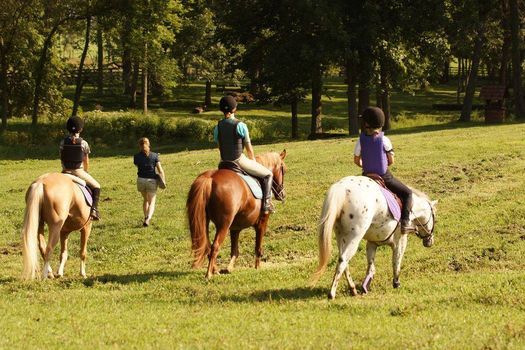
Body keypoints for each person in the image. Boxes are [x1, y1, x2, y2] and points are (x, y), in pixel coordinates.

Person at [353, 107, 415, 234]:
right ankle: (405, 223)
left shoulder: (360, 140)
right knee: (408, 193)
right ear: (380, 123)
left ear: (365, 124)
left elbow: (356, 161)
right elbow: (391, 161)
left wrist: (366, 166)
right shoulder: (384, 140)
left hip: (366, 176)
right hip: (383, 176)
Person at [213, 95, 274, 213]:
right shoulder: (240, 125)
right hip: (238, 160)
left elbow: (220, 147)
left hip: (223, 162)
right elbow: (249, 149)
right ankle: (266, 205)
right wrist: (254, 162)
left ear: (221, 110)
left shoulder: (217, 127)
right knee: (268, 175)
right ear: (234, 109)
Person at [60, 116, 101, 220]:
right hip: (78, 171)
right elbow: (86, 160)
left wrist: (65, 169)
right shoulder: (84, 143)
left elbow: (62, 158)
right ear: (81, 129)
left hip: (65, 171)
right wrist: (86, 172)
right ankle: (94, 210)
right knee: (97, 186)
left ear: (68, 128)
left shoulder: (63, 142)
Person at [134, 137, 166, 227]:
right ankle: (148, 218)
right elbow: (160, 170)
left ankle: (145, 216)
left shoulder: (136, 157)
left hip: (140, 181)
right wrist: (163, 181)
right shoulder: (155, 156)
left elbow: (139, 166)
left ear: (139, 146)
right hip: (151, 181)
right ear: (149, 144)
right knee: (152, 201)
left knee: (145, 199)